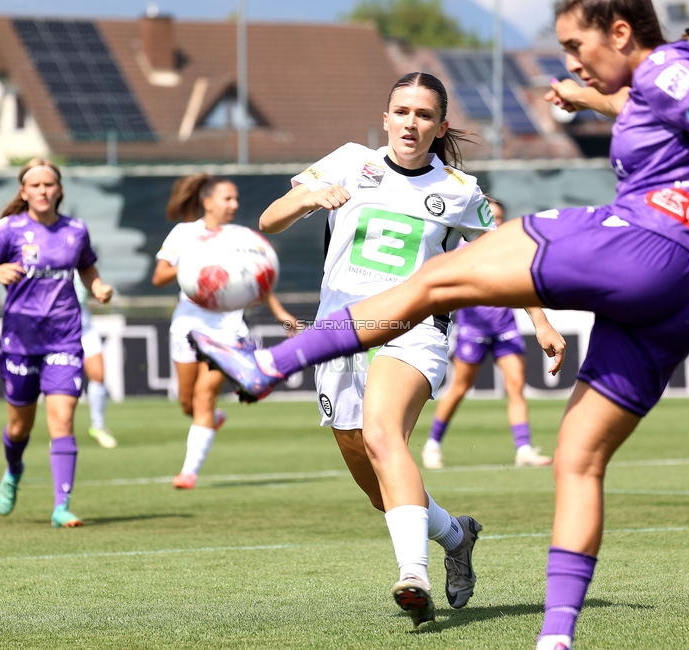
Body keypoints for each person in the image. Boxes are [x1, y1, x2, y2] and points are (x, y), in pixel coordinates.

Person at [191, 1, 689, 647]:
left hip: (642, 241)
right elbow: (666, 109)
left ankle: (267, 365)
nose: (571, 59)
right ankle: (554, 637)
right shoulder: (662, 90)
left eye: (575, 45)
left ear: (619, 31)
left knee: (427, 285)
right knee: (577, 461)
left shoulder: (669, 66)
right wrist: (588, 97)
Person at [216, 72, 563, 628]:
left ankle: (413, 576)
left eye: (424, 115)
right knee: (378, 483)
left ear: (440, 126)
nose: (411, 123)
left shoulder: (458, 190)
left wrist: (540, 321)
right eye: (402, 111)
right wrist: (311, 196)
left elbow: (502, 259)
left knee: (383, 434)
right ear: (385, 118)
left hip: (414, 331)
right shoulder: (351, 161)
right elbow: (268, 219)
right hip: (340, 333)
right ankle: (456, 533)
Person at [0, 158, 113, 528]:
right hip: (20, 340)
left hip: (64, 337)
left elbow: (86, 265)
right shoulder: (8, 230)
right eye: (35, 186)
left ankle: (61, 506)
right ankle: (14, 469)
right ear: (23, 192)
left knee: (62, 419)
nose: (43, 191)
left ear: (59, 190)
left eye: (49, 185)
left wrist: (98, 286)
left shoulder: (76, 230)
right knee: (19, 428)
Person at [153, 174, 299, 490]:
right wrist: (196, 264)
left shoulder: (240, 238)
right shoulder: (185, 234)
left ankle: (188, 472)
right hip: (188, 327)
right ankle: (212, 421)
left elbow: (257, 280)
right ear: (208, 202)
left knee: (205, 396)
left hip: (229, 331)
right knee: (187, 403)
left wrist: (282, 315)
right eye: (227, 198)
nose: (234, 204)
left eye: (236, 199)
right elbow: (160, 276)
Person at [422, 197, 551, 470]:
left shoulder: (512, 248)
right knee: (459, 388)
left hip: (505, 326)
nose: (497, 223)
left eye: (501, 218)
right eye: (492, 217)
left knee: (516, 386)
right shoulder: (464, 249)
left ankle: (524, 449)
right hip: (474, 329)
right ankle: (432, 444)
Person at [75, 276, 118, 448]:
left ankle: (98, 426)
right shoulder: (52, 257)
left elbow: (95, 288)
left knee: (98, 375)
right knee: (60, 383)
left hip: (84, 324)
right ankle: (61, 434)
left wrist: (102, 293)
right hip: (57, 327)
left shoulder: (81, 257)